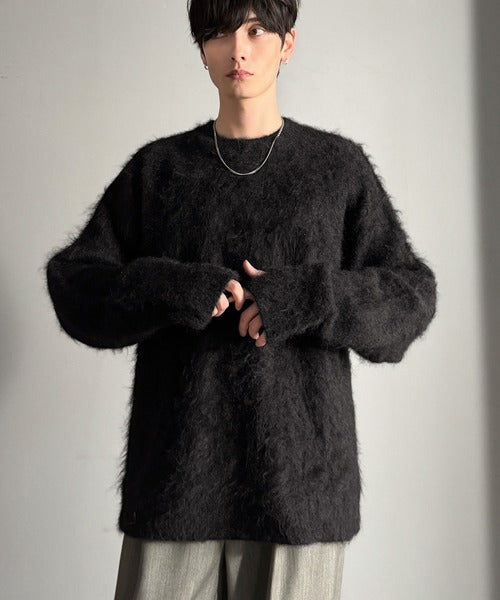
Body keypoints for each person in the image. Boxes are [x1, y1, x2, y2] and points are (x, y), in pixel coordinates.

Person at [44, 1, 438, 598]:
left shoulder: (336, 170)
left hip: (300, 495)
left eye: (256, 30)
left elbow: (409, 297)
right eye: (220, 33)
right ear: (201, 49)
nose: (239, 49)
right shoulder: (159, 171)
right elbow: (75, 286)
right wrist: (171, 287)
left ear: (288, 43)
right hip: (176, 486)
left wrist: (310, 295)